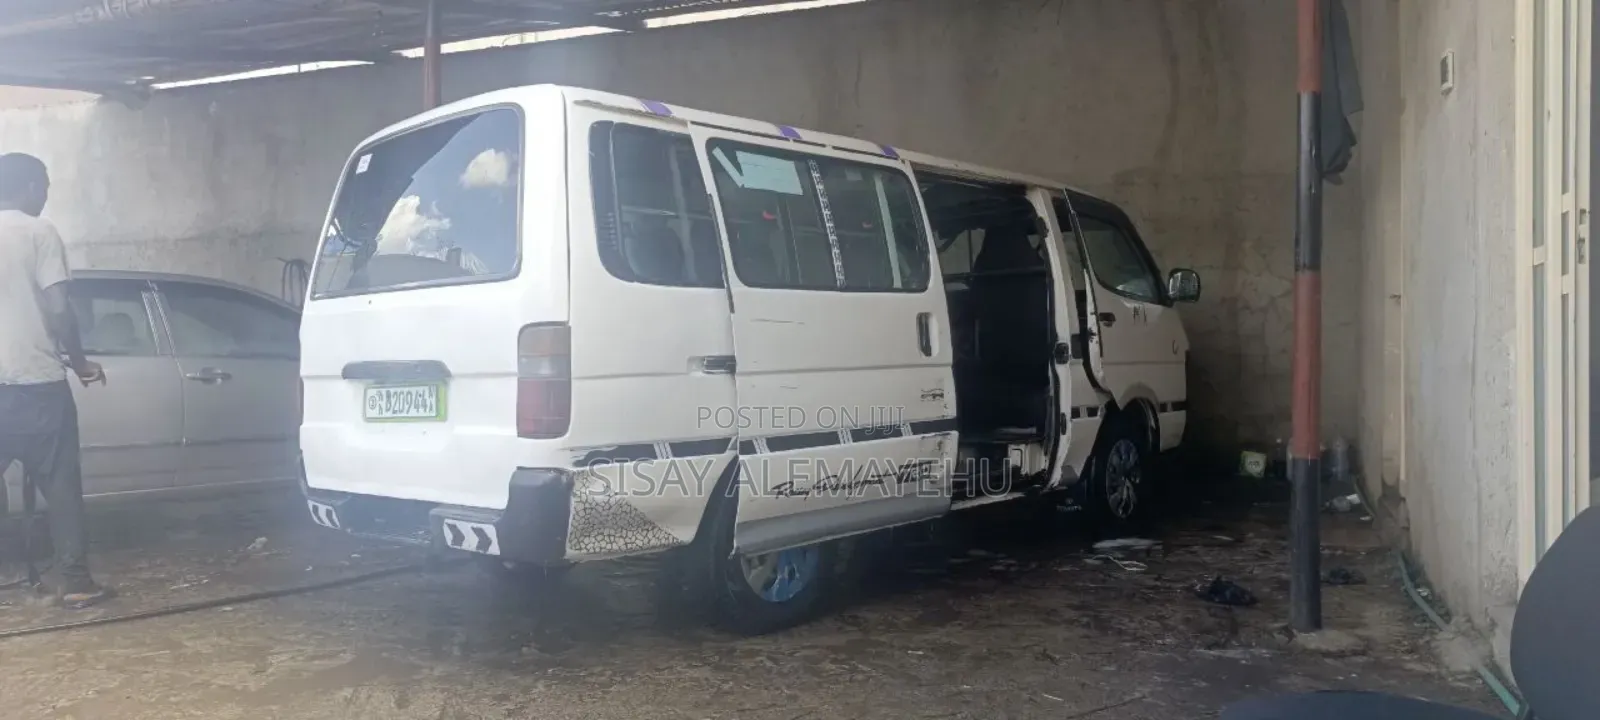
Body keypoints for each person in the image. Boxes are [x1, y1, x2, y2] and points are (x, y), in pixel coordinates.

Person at [0, 152, 112, 608]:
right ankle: (76, 583)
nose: (45, 195)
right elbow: (60, 309)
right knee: (61, 485)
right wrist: (79, 362)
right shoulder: (38, 232)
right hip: (37, 385)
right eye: (44, 186)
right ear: (29, 187)